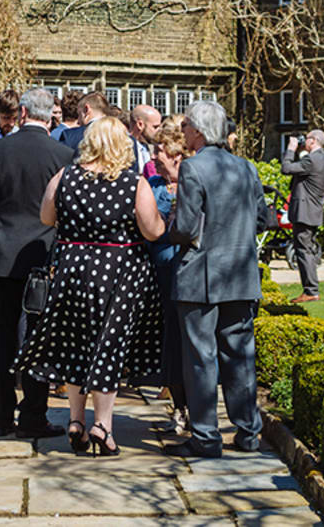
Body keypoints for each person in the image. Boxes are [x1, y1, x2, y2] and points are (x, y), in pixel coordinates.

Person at [18, 116, 165, 456]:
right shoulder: (133, 184)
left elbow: (45, 218)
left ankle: (75, 420)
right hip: (120, 272)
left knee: (75, 342)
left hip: (72, 268)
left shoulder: (65, 176)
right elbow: (153, 231)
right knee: (108, 345)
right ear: (121, 145)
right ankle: (103, 425)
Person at [0, 88, 72, 438]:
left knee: (0, 342)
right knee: (37, 341)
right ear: (51, 116)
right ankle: (32, 416)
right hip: (42, 260)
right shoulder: (63, 154)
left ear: (24, 112)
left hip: (2, 257)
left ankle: (0, 419)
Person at [163, 100, 260, 458]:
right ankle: (249, 432)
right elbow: (261, 219)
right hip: (241, 271)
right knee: (240, 355)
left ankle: (206, 437)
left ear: (200, 131)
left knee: (202, 357)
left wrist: (167, 227)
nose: (184, 130)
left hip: (201, 275)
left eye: (187, 125)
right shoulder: (247, 168)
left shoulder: (193, 168)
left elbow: (187, 227)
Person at [146, 121, 189, 435]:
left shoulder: (193, 182)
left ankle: (193, 408)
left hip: (189, 274)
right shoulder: (154, 186)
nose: (154, 156)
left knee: (190, 344)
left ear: (176, 153)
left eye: (159, 150)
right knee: (169, 344)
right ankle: (178, 406)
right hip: (160, 276)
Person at [280, 128, 324, 302]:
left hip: (305, 212)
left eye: (306, 139)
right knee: (306, 249)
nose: (304, 141)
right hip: (312, 211)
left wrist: (291, 149)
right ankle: (310, 289)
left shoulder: (311, 159)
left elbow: (286, 168)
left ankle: (310, 290)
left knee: (304, 251)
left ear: (313, 141)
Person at [127, 104, 162, 171]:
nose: (159, 131)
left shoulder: (149, 147)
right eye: (155, 127)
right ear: (140, 125)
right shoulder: (125, 148)